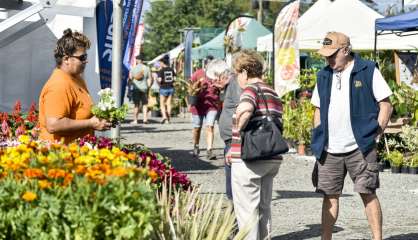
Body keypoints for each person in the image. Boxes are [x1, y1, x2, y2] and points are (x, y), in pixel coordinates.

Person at [310, 32, 393, 240]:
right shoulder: (323, 75)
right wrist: (318, 134)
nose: (328, 59)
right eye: (325, 55)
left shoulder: (367, 70)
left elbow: (386, 104)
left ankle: (377, 238)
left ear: (345, 50)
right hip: (329, 148)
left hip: (361, 147)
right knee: (329, 197)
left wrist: (375, 134)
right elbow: (318, 110)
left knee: (367, 192)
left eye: (332, 54)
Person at [226, 50, 283, 240]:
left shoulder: (250, 90)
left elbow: (245, 111)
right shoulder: (272, 91)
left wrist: (235, 140)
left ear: (244, 72)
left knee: (246, 211)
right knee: (264, 208)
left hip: (250, 158)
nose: (236, 78)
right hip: (272, 157)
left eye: (236, 74)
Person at [39, 29, 111, 144]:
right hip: (61, 155)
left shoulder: (76, 78)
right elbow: (53, 125)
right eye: (82, 57)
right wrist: (91, 123)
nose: (86, 61)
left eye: (86, 56)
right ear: (66, 59)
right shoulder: (59, 84)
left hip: (77, 152)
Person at [214, 61, 241, 200]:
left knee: (233, 175)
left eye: (216, 77)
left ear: (224, 75)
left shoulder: (234, 84)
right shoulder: (229, 85)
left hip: (233, 138)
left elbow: (240, 108)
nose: (214, 80)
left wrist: (236, 139)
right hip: (230, 138)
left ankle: (234, 205)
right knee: (231, 173)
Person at [189, 56, 220, 160]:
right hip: (198, 105)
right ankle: (196, 146)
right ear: (205, 64)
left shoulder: (217, 75)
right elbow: (190, 87)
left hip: (212, 105)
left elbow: (222, 87)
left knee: (210, 126)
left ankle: (209, 150)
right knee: (197, 128)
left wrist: (219, 85)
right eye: (209, 64)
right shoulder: (198, 73)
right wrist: (197, 85)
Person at [129, 54, 151, 124]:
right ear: (143, 60)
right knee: (145, 104)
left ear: (138, 60)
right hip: (144, 88)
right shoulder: (147, 68)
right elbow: (150, 78)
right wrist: (148, 87)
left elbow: (130, 79)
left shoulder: (133, 68)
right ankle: (145, 119)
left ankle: (135, 120)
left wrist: (130, 87)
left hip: (136, 89)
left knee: (136, 105)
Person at [157, 55, 176, 123]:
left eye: (160, 63)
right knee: (169, 104)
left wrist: (158, 82)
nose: (160, 64)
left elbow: (159, 80)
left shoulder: (161, 71)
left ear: (162, 63)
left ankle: (164, 117)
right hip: (171, 88)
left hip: (163, 88)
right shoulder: (171, 69)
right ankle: (168, 119)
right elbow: (174, 79)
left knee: (162, 104)